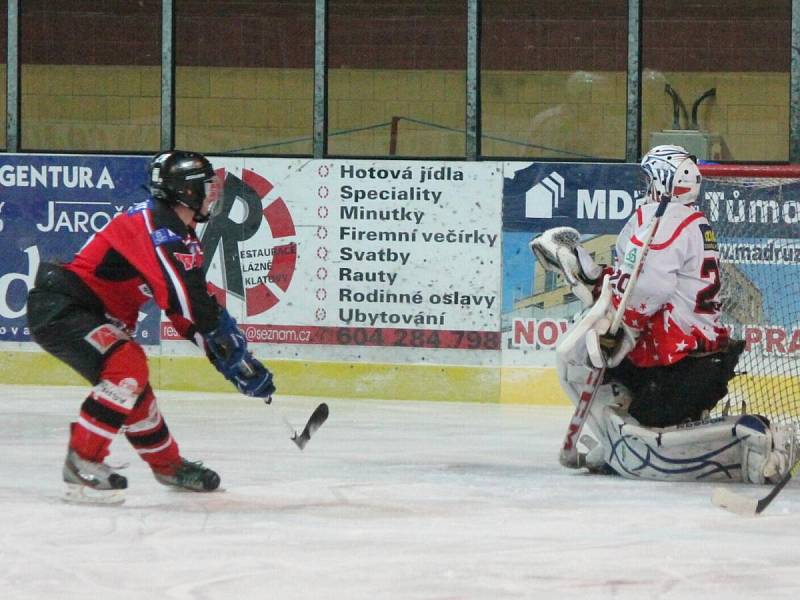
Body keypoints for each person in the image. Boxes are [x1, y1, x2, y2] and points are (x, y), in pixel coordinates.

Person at [531, 144, 795, 483]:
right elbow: (635, 280)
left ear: (664, 178)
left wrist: (622, 325)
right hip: (677, 358)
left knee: (642, 428)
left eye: (650, 176)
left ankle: (756, 436)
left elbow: (649, 289)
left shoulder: (668, 221)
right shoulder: (673, 218)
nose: (646, 183)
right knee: (602, 377)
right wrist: (594, 277)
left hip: (683, 366)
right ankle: (618, 441)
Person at [26, 150, 275, 504]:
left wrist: (223, 354)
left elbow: (179, 307)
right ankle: (82, 461)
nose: (212, 194)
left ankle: (168, 466)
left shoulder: (179, 234)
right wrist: (225, 343)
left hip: (87, 313)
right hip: (63, 309)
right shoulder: (155, 227)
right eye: (206, 187)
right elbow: (189, 300)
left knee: (134, 391)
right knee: (128, 366)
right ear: (186, 192)